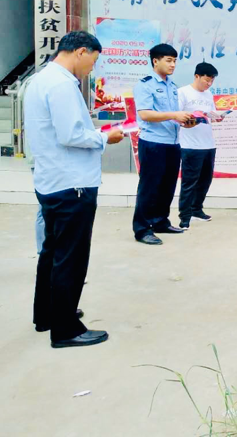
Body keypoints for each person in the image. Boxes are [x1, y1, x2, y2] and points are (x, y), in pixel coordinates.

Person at [25, 31, 125, 348]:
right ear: (81, 51)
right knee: (71, 256)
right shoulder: (62, 84)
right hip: (72, 184)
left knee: (52, 251)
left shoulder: (41, 80)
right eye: (93, 61)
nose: (91, 68)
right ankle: (66, 329)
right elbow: (71, 134)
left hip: (52, 180)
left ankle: (48, 314)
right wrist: (105, 137)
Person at [132, 44, 193, 246]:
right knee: (150, 187)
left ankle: (160, 222)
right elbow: (145, 114)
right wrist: (175, 115)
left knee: (167, 186)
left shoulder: (172, 86)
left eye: (175, 61)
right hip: (153, 143)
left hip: (172, 143)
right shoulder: (145, 85)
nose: (173, 64)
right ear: (155, 61)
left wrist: (185, 121)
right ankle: (142, 229)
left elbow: (171, 116)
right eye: (168, 60)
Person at [177, 62, 221, 229]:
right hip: (190, 145)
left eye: (212, 81)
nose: (209, 84)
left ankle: (197, 209)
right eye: (206, 80)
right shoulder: (183, 92)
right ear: (197, 76)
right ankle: (184, 216)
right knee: (189, 182)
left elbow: (211, 115)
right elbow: (176, 116)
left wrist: (217, 117)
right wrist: (191, 118)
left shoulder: (208, 94)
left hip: (208, 143)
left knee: (205, 180)